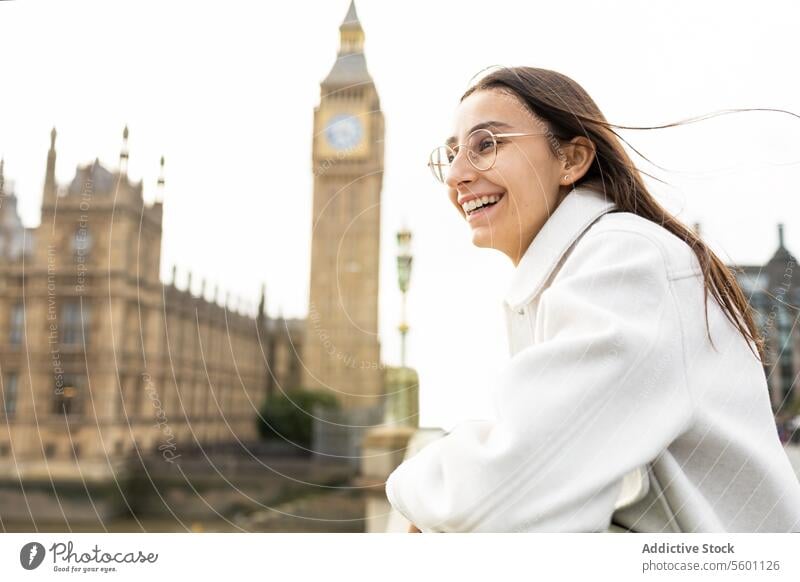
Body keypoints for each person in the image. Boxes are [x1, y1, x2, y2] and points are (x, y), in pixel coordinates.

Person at [384, 66, 800, 533]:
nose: (457, 175)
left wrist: (406, 491)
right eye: (452, 153)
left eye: (486, 145)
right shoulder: (573, 272)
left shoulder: (626, 260)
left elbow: (508, 491)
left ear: (572, 159)